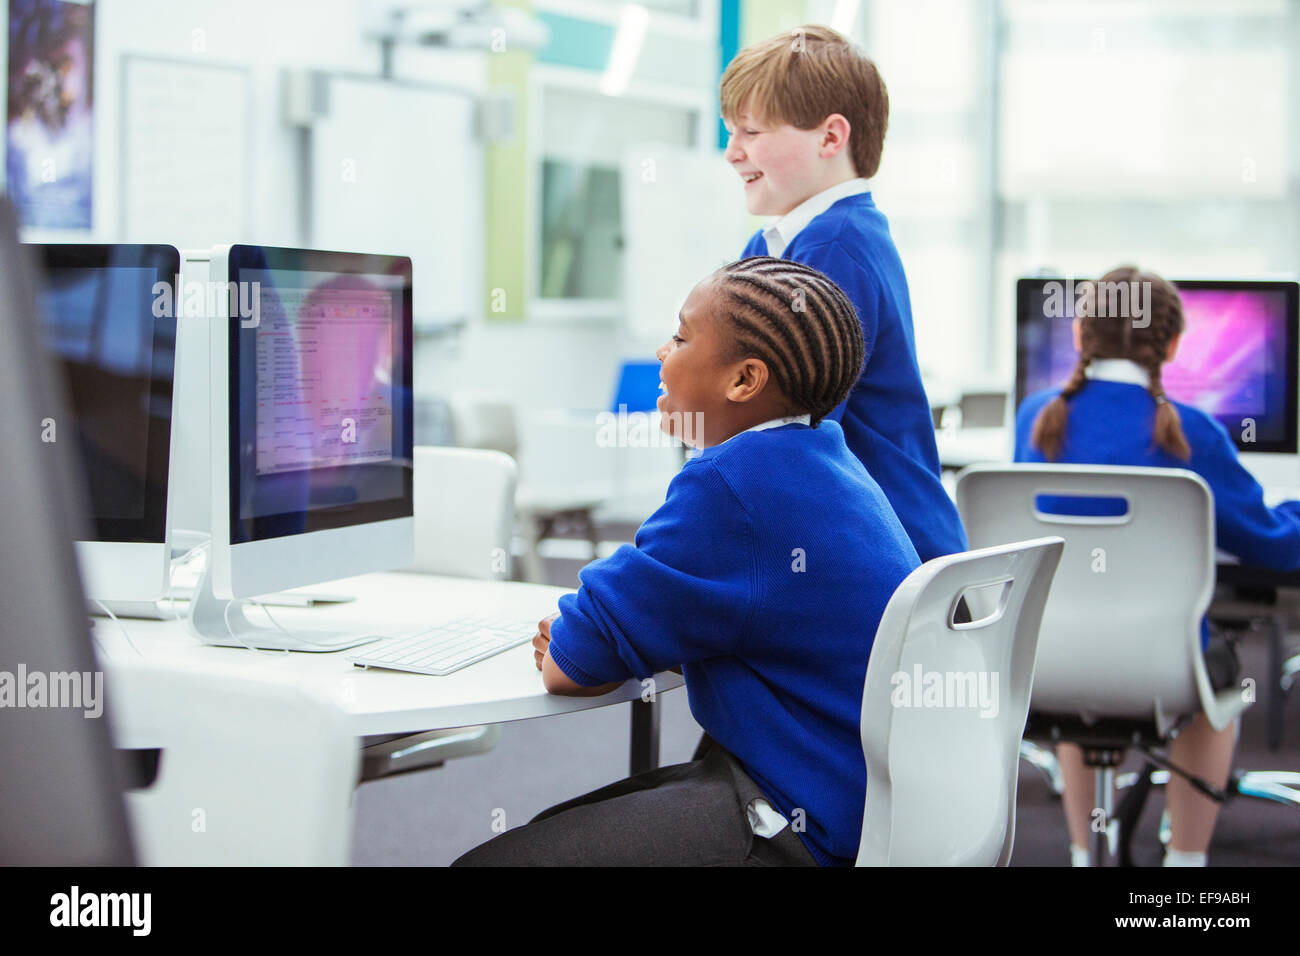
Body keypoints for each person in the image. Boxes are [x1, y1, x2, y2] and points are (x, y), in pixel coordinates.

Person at [452, 257, 920, 867]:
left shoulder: (731, 484)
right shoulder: (825, 458)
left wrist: (583, 637)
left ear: (744, 380)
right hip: (858, 801)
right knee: (553, 830)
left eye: (679, 336)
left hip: (802, 823)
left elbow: (571, 663)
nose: (660, 351)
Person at [1015, 264, 1300, 866]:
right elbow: (1275, 546)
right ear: (1171, 345)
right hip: (1160, 672)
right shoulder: (1191, 431)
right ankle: (1184, 867)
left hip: (1049, 667)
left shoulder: (1036, 419)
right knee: (1211, 682)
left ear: (1080, 337)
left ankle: (1082, 854)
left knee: (1082, 671)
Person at [719, 23, 966, 563]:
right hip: (860, 541)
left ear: (831, 138)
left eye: (751, 132)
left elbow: (787, 428)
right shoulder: (781, 240)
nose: (732, 153)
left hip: (890, 553)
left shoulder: (834, 245)